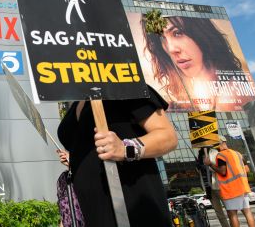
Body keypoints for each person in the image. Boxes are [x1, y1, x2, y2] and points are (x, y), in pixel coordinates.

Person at [57, 85, 178, 226]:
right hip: (91, 212)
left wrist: (125, 148)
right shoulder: (78, 100)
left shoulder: (125, 85)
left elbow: (168, 137)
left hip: (132, 208)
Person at [142, 16, 254, 111]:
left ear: (200, 33)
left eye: (177, 33)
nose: (171, 49)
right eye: (162, 38)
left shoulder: (230, 94)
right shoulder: (193, 85)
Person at [205, 135, 255, 227]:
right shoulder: (237, 153)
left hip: (232, 189)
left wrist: (210, 165)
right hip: (243, 187)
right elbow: (247, 169)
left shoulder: (221, 155)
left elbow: (223, 171)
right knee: (248, 212)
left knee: (232, 215)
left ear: (218, 143)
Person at [198, 147, 230, 227]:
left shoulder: (214, 152)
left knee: (229, 209)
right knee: (218, 212)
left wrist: (208, 164)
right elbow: (200, 172)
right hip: (208, 187)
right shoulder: (199, 155)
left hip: (218, 185)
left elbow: (218, 167)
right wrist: (199, 166)